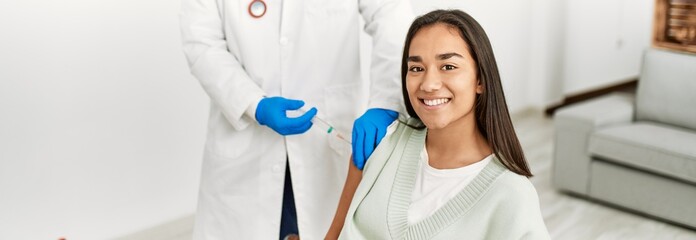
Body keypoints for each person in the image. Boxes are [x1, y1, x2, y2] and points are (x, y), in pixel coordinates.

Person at [179, 0, 413, 239]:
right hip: (245, 148)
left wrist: (386, 101)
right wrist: (253, 103)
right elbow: (201, 43)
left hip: (326, 143)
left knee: (329, 228)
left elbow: (392, 16)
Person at [327, 9, 550, 239]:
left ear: (480, 80)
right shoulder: (381, 142)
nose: (429, 84)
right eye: (416, 68)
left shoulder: (512, 195)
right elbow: (334, 234)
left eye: (448, 67)